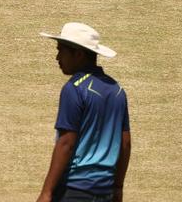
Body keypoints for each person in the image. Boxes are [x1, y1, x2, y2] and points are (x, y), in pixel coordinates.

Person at [37, 22, 131, 202]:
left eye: (61, 51)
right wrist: (118, 187)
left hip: (74, 190)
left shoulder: (74, 89)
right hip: (106, 192)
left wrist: (46, 192)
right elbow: (125, 143)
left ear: (78, 54)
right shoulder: (117, 90)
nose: (57, 58)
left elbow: (66, 143)